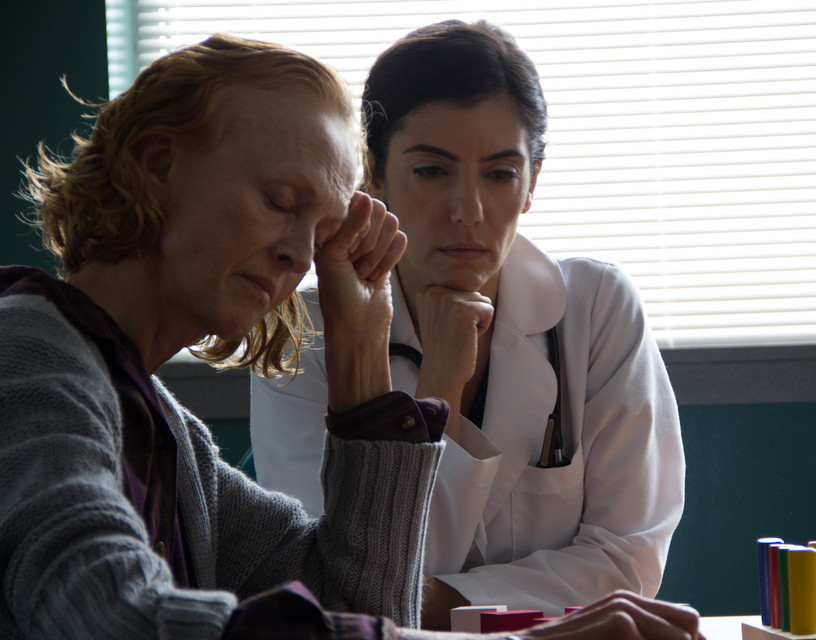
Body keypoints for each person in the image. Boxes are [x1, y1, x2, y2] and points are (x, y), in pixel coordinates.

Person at [0, 33, 699, 640]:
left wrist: (364, 372)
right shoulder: (27, 358)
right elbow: (114, 617)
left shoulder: (172, 436)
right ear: (159, 166)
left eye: (322, 227)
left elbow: (353, 602)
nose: (301, 254)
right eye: (280, 201)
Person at [250, 19, 686, 630]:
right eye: (432, 171)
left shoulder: (597, 308)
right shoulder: (304, 336)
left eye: (501, 173)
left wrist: (420, 602)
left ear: (532, 182)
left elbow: (627, 560)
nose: (468, 211)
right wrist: (440, 392)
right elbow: (324, 582)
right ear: (372, 172)